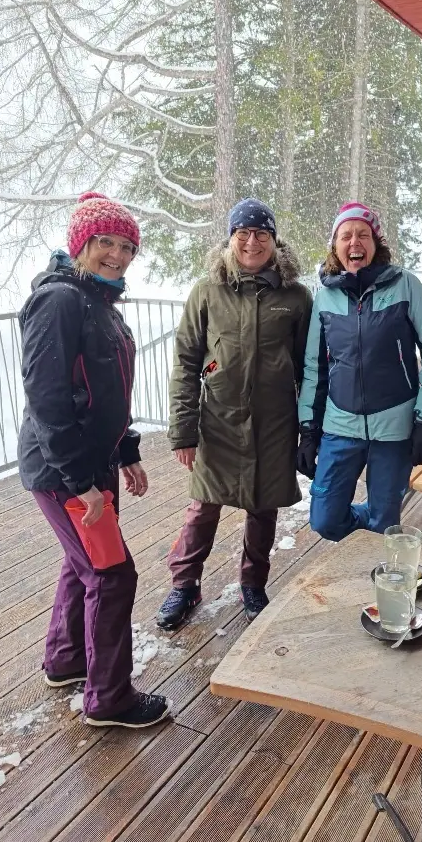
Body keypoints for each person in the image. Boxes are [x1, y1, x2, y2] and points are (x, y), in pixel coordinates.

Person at [18, 191, 170, 728]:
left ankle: (66, 661)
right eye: (105, 242)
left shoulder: (99, 303)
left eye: (127, 245)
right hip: (67, 473)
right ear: (80, 243)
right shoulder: (59, 301)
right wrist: (81, 480)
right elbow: (48, 399)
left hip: (93, 466)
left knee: (81, 563)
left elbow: (108, 391)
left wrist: (125, 452)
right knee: (111, 575)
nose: (118, 254)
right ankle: (109, 699)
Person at [157, 198, 313, 629]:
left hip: (274, 424)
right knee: (203, 507)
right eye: (242, 233)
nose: (251, 241)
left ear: (274, 242)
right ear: (230, 240)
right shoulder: (207, 292)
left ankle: (253, 583)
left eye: (261, 233)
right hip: (218, 423)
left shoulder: (296, 297)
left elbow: (309, 368)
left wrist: (308, 429)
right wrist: (183, 432)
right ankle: (184, 584)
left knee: (263, 509)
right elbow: (187, 363)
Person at [297, 201, 422, 540]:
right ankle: (367, 529)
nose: (355, 243)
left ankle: (374, 566)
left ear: (376, 242)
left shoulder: (405, 286)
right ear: (335, 247)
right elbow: (315, 367)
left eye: (363, 235)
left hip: (394, 428)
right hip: (340, 424)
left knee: (385, 524)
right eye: (346, 236)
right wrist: (308, 429)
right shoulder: (324, 298)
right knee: (325, 520)